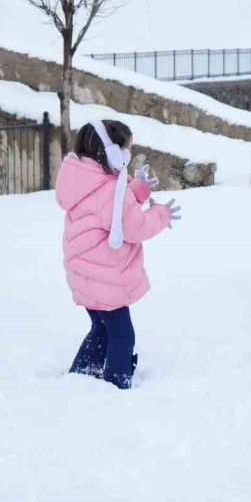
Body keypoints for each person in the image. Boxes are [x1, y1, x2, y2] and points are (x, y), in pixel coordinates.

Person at [55, 119, 178, 389]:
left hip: (86, 275)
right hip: (106, 279)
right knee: (123, 336)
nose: (128, 157)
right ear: (110, 154)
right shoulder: (111, 190)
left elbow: (108, 206)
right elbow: (134, 227)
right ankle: (117, 385)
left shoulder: (83, 180)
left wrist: (138, 191)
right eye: (126, 150)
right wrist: (161, 213)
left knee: (101, 329)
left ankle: (81, 375)